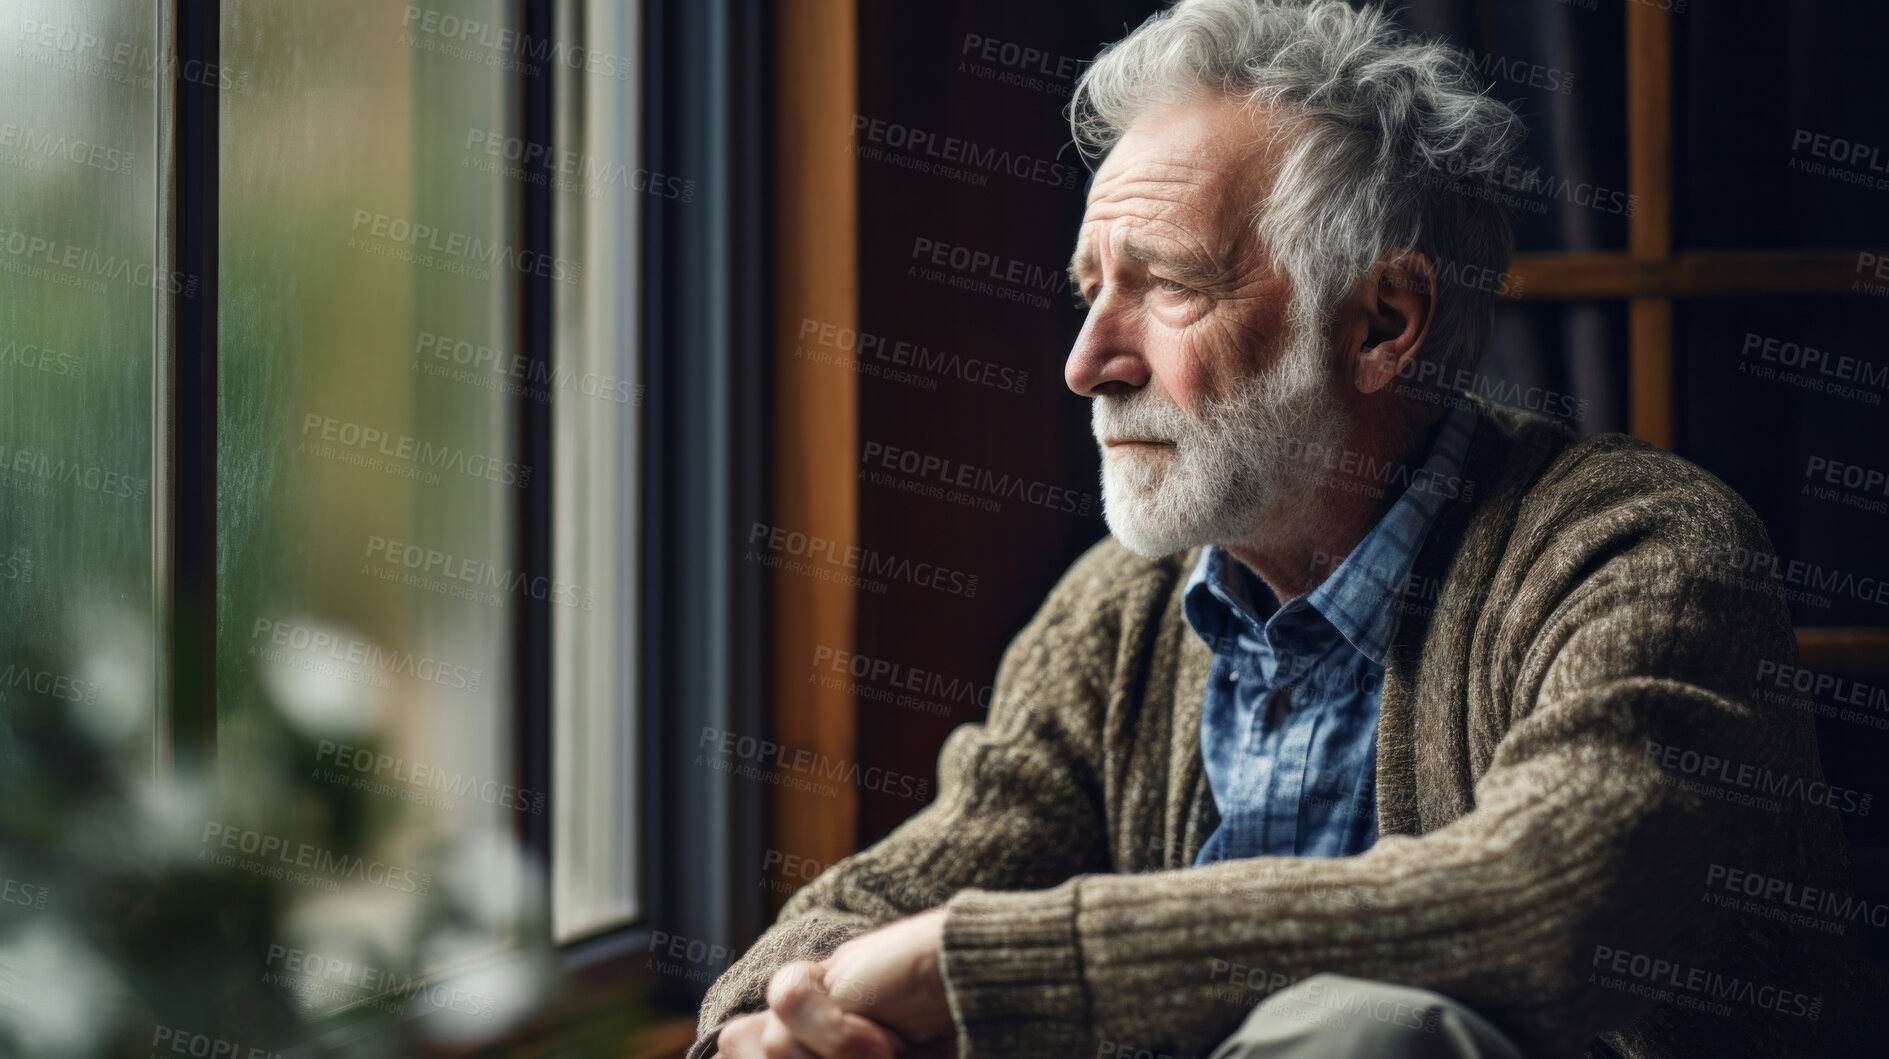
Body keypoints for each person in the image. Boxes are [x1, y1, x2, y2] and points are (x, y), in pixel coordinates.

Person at [691, 2, 1877, 1055]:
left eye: (1164, 286)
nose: (1084, 363)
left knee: (1362, 1027)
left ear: (1382, 322)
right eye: (1086, 290)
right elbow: (903, 884)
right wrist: (777, 1021)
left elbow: (1545, 899)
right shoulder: (1121, 607)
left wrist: (984, 967)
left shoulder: (1639, 551)